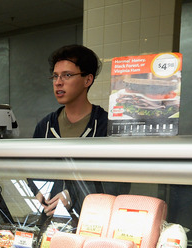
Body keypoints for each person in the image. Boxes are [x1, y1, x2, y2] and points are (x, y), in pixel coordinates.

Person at [31, 44, 127, 217]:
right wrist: (37, 192)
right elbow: (30, 170)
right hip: (50, 224)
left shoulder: (105, 126)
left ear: (87, 80)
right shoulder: (45, 126)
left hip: (93, 222)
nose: (58, 82)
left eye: (67, 75)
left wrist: (72, 195)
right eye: (55, 76)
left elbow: (116, 184)